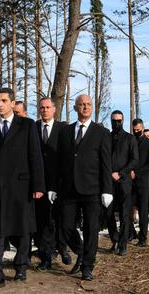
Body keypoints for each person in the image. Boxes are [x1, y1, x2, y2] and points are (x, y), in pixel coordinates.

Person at [0, 88, 45, 289]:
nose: (0, 104)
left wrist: (38, 184)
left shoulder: (27, 125)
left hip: (21, 186)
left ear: (13, 103)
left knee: (22, 228)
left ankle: (21, 265)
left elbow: (35, 155)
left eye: (4, 100)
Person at [50, 94, 113, 281]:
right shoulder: (65, 131)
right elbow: (58, 162)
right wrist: (53, 186)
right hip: (69, 189)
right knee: (66, 227)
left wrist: (107, 190)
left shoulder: (101, 132)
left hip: (92, 189)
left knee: (91, 229)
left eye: (88, 104)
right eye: (81, 105)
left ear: (91, 107)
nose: (85, 107)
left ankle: (87, 267)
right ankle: (81, 251)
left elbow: (106, 163)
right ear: (75, 107)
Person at [34, 97, 71, 271]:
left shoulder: (63, 129)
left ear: (54, 109)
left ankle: (62, 248)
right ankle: (45, 257)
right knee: (42, 221)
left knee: (59, 219)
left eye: (48, 107)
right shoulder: (33, 128)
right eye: (42, 108)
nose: (45, 110)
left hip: (60, 183)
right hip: (39, 182)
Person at [106, 110, 138, 256]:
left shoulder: (130, 138)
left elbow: (134, 160)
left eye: (119, 120)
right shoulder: (107, 137)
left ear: (123, 121)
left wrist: (120, 173)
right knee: (108, 213)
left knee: (125, 214)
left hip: (124, 181)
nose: (116, 123)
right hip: (108, 182)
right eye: (114, 120)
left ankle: (123, 244)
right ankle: (115, 240)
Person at [130, 119, 149, 247]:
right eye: (134, 130)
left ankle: (143, 238)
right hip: (129, 182)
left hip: (143, 183)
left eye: (138, 130)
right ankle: (131, 233)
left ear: (143, 128)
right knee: (127, 209)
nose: (136, 132)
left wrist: (136, 173)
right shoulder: (130, 141)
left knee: (143, 211)